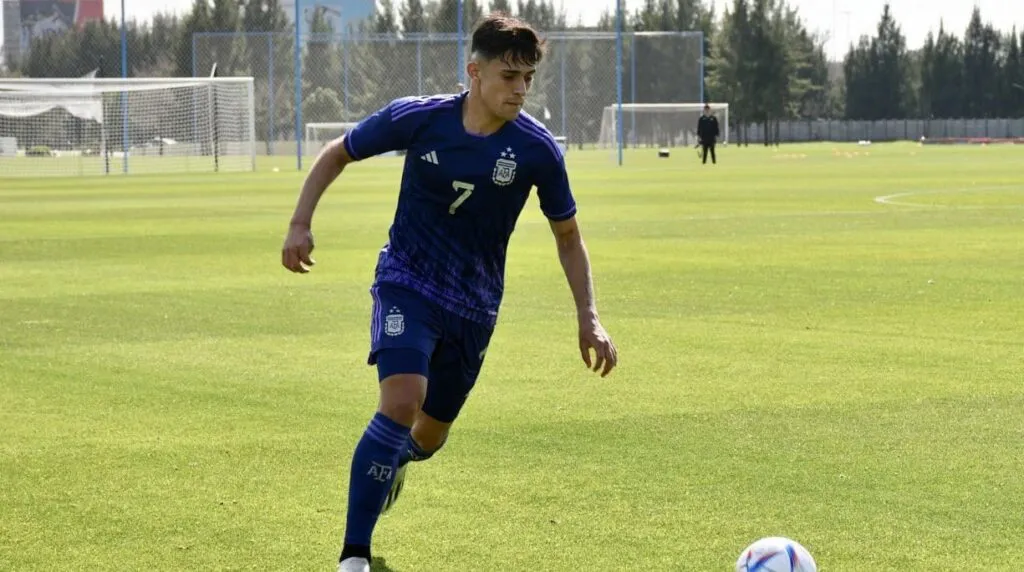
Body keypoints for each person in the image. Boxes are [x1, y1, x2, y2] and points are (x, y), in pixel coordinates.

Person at [280, 13, 618, 572]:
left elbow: (568, 235)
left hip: (474, 307)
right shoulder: (420, 118)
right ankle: (353, 555)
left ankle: (395, 463)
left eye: (528, 78)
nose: (520, 89)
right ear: (474, 72)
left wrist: (590, 315)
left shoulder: (536, 151)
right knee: (401, 401)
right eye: (509, 76)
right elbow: (338, 151)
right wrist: (300, 222)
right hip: (407, 283)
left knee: (428, 437)